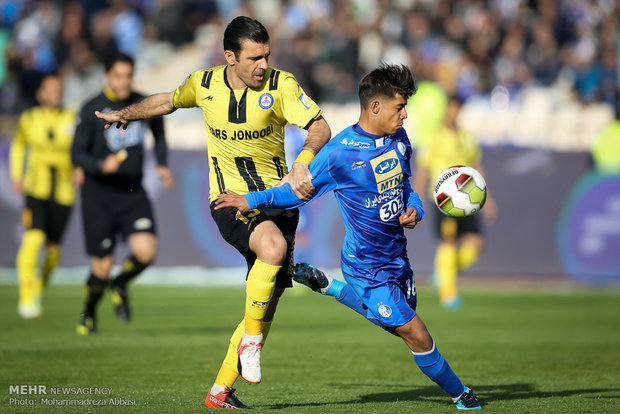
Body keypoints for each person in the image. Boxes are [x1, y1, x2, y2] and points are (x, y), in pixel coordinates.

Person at [93, 16, 331, 408]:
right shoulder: (204, 84)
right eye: (254, 58)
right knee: (271, 249)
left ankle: (220, 390)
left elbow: (319, 126)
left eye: (266, 56)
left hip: (279, 200)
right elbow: (167, 101)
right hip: (228, 199)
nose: (263, 65)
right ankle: (252, 344)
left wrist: (303, 161)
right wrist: (125, 114)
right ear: (229, 57)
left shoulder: (282, 85)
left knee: (267, 299)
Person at [216, 64, 482, 410]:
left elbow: (406, 186)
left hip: (396, 259)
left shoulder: (400, 140)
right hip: (365, 266)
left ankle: (332, 287)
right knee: (416, 332)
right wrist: (248, 200)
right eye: (399, 107)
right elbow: (295, 194)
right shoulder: (340, 153)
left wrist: (414, 207)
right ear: (375, 107)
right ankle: (462, 396)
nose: (405, 115)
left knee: (397, 321)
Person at [71, 52, 174, 335]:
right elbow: (76, 153)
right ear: (107, 76)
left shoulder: (142, 103)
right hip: (99, 196)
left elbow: (160, 134)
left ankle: (121, 282)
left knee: (146, 251)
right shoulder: (92, 108)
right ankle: (89, 311)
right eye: (118, 75)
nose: (124, 81)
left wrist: (163, 164)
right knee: (101, 266)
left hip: (132, 192)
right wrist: (98, 165)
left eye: (128, 75)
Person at [414, 96, 497, 309]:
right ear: (445, 110)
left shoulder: (467, 137)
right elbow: (423, 169)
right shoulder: (434, 137)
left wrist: (488, 200)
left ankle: (443, 273)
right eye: (450, 108)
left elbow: (477, 167)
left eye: (457, 109)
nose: (453, 112)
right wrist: (418, 200)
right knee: (449, 242)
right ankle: (448, 293)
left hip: (468, 198)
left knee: (476, 244)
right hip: (445, 199)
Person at [10, 74, 81, 319]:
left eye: (59, 89)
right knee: (34, 238)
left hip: (63, 192)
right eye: (50, 89)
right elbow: (19, 145)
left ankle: (39, 289)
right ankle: (26, 296)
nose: (55, 93)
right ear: (40, 93)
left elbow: (81, 148)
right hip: (36, 189)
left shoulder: (72, 118)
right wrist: (16, 174)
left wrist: (80, 169)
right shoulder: (29, 119)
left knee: (53, 251)